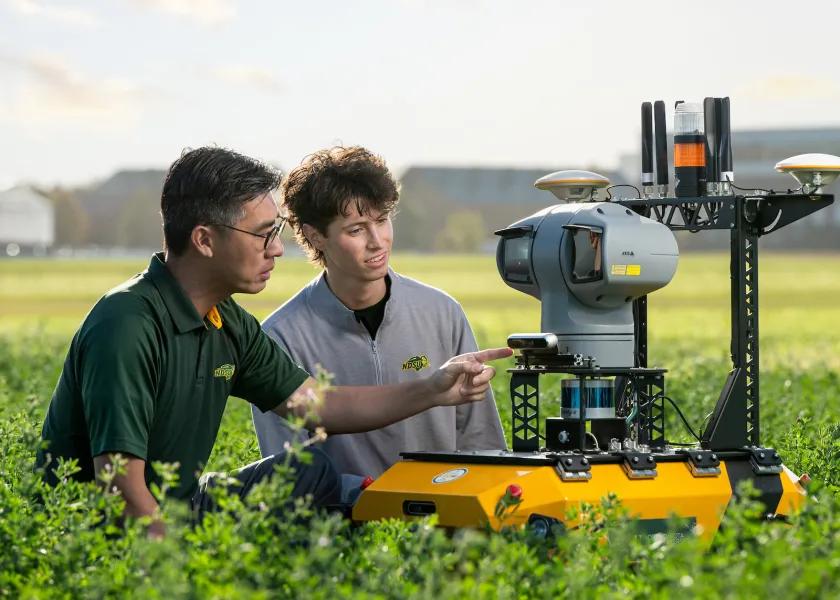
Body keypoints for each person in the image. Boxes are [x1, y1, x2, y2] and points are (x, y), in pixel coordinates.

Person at [34, 146, 512, 538]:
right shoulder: (127, 322)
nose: (279, 249)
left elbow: (317, 406)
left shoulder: (228, 324)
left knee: (310, 473)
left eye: (278, 233)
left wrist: (432, 389)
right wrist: (176, 576)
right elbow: (118, 486)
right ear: (204, 240)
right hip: (89, 525)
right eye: (264, 235)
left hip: (181, 505)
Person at [251, 146, 507, 487]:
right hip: (341, 530)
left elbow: (482, 445)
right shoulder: (281, 337)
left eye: (382, 220)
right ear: (315, 236)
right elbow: (290, 476)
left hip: (445, 525)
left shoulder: (442, 313)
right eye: (356, 230)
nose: (377, 242)